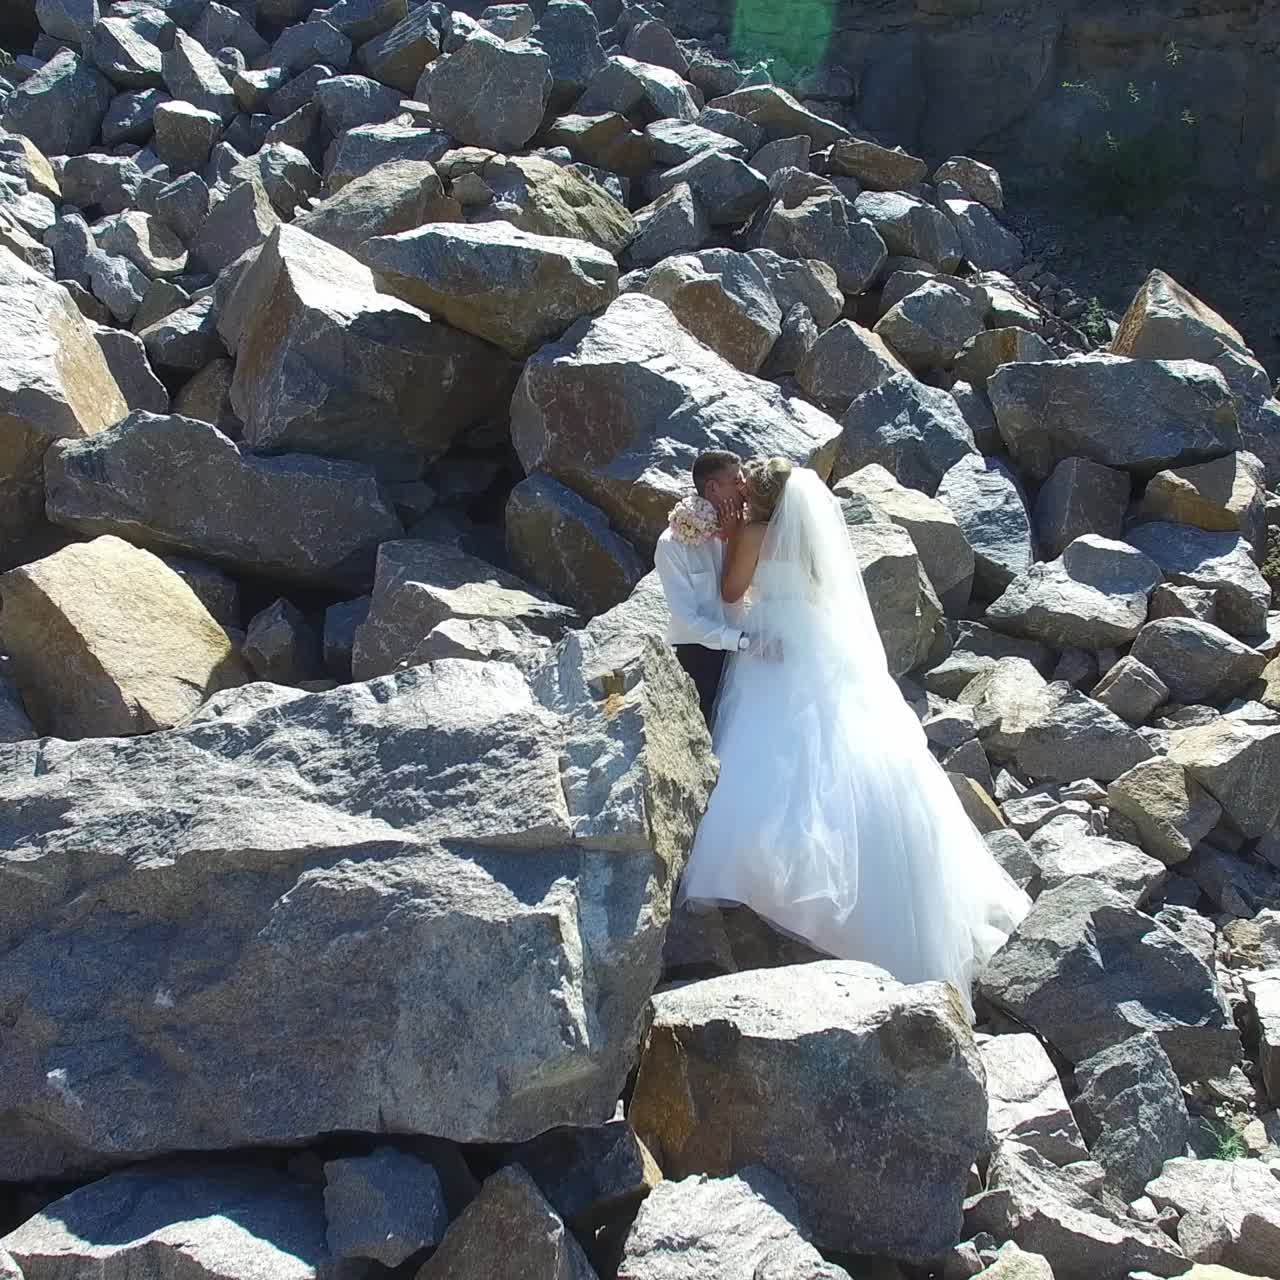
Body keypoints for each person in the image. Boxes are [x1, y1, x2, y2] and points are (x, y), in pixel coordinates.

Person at [678, 457, 1030, 1013]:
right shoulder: (813, 539)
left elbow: (732, 596)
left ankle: (773, 884)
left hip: (773, 649)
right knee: (848, 748)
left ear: (763, 500)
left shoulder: (753, 532)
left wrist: (727, 543)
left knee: (772, 756)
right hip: (821, 644)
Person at [654, 450, 757, 728]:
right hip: (699, 656)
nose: (743, 486)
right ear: (713, 487)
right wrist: (739, 640)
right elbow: (685, 619)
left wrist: (736, 537)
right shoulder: (672, 543)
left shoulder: (740, 527)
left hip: (743, 651)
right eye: (736, 480)